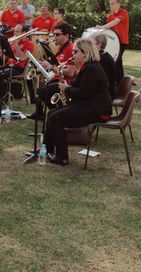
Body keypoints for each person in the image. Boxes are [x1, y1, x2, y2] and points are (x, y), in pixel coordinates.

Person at [43, 37, 112, 166]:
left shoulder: (92, 68)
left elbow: (82, 94)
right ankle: (47, 150)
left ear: (85, 52)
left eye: (75, 52)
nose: (73, 54)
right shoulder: (88, 66)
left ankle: (62, 157)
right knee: (51, 113)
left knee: (55, 118)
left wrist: (67, 88)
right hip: (88, 105)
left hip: (96, 110)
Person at [0, 23, 35, 104]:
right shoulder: (12, 42)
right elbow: (6, 59)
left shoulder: (29, 44)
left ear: (24, 33)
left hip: (18, 68)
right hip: (9, 66)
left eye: (17, 32)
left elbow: (23, 58)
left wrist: (16, 44)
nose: (15, 34)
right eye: (14, 31)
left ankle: (3, 97)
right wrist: (1, 52)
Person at [32, 22, 75, 120]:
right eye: (54, 34)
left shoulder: (71, 48)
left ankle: (58, 115)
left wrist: (51, 67)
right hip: (58, 79)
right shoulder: (61, 47)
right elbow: (59, 66)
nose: (54, 37)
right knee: (41, 92)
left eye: (57, 35)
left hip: (66, 82)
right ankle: (50, 114)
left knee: (43, 92)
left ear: (67, 36)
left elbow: (70, 72)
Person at [96, 0, 129, 84]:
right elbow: (110, 28)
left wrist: (102, 26)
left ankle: (118, 83)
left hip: (122, 42)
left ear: (118, 4)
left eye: (113, 3)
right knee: (116, 62)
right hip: (114, 43)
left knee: (116, 61)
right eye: (110, 4)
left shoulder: (124, 12)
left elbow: (116, 22)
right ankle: (117, 82)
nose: (111, 5)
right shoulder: (110, 15)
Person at [93, 33, 116, 97]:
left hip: (105, 94)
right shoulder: (100, 56)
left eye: (92, 44)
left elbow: (102, 81)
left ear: (99, 45)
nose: (90, 46)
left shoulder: (104, 59)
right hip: (102, 91)